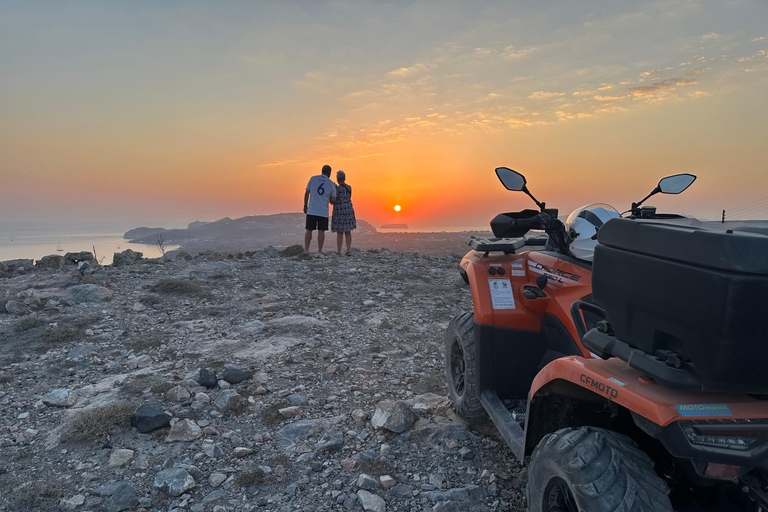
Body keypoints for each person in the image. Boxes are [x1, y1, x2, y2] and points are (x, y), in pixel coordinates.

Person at [303, 164, 337, 254]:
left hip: (312, 209)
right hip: (323, 211)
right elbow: (333, 199)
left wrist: (305, 206)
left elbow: (307, 193)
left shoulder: (313, 179)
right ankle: (320, 250)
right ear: (329, 173)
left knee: (309, 230)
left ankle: (306, 250)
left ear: (321, 171)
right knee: (321, 231)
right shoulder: (331, 183)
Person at [331, 170, 357, 255]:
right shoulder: (349, 187)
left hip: (339, 212)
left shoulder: (336, 189)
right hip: (349, 211)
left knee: (339, 232)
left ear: (338, 179)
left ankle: (339, 251)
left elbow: (333, 200)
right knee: (348, 231)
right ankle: (348, 250)